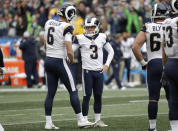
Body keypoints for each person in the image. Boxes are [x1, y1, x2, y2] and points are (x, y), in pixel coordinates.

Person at [44, 4, 93, 129]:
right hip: (59, 61)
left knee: (50, 93)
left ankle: (48, 123)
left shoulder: (49, 22)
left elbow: (45, 45)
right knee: (73, 90)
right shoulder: (67, 26)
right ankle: (81, 120)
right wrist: (71, 59)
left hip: (48, 60)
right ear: (69, 14)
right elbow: (69, 49)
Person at [132, 3, 170, 131]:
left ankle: (153, 128)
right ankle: (175, 127)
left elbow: (135, 47)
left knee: (153, 98)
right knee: (173, 98)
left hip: (154, 63)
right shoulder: (172, 25)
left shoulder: (148, 26)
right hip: (170, 63)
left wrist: (143, 63)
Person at [72, 17, 114, 127]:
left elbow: (111, 52)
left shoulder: (102, 36)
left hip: (99, 71)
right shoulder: (80, 37)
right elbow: (71, 51)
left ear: (97, 27)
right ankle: (84, 120)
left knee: (98, 96)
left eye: (92, 27)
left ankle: (97, 120)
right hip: (87, 72)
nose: (90, 29)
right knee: (87, 96)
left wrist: (106, 65)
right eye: (88, 27)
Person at [162, 0, 178, 130]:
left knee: (173, 99)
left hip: (170, 63)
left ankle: (174, 128)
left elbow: (163, 46)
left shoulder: (167, 22)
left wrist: (164, 66)